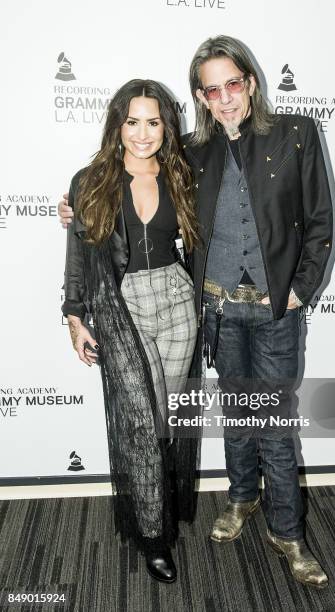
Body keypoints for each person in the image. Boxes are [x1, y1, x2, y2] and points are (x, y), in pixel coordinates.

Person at [59, 35, 333, 589]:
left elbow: (320, 221)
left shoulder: (287, 136)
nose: (226, 97)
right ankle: (222, 507)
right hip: (199, 309)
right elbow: (100, 218)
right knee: (209, 416)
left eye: (234, 83)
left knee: (273, 424)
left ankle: (288, 532)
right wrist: (73, 226)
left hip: (258, 308)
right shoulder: (171, 158)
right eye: (213, 89)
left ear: (251, 82)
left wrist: (302, 288)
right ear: (201, 97)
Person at [61, 79, 199, 584]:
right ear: (118, 124)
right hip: (121, 306)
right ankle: (152, 535)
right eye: (133, 121)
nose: (143, 133)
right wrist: (75, 316)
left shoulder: (184, 173)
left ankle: (157, 511)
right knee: (139, 424)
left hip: (178, 300)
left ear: (167, 124)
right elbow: (78, 252)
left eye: (154, 121)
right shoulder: (91, 179)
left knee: (161, 423)